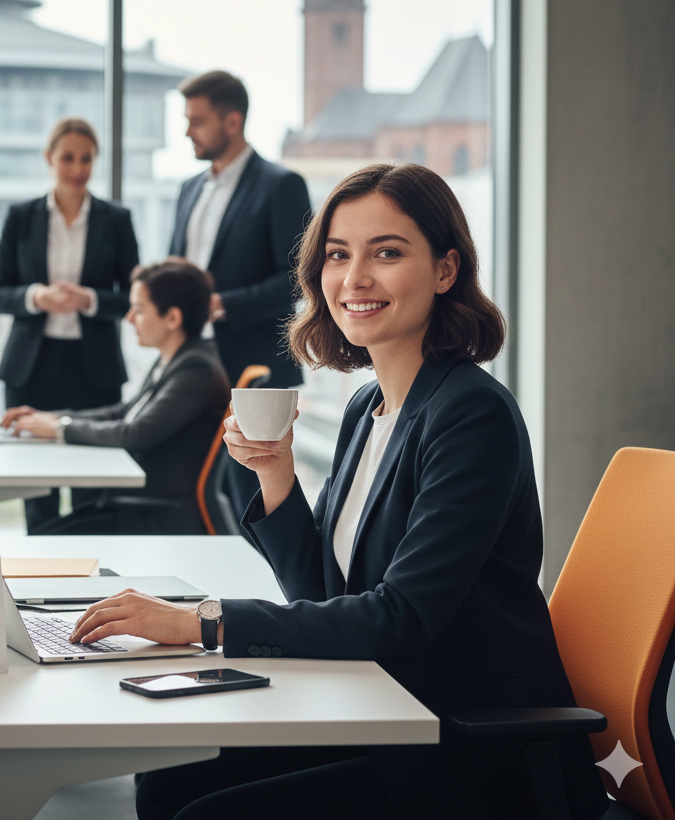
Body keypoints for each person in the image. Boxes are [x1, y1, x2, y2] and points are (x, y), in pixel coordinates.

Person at [68, 163, 608, 820]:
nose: (354, 278)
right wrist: (275, 472)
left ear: (445, 271)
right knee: (168, 778)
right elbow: (322, 595)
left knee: (207, 810)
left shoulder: (471, 415)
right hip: (382, 704)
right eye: (337, 255)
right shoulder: (368, 406)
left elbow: (400, 618)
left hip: (464, 741)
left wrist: (201, 622)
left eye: (387, 252)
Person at [170, 70, 312, 517]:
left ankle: (274, 587)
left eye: (197, 120)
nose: (187, 130)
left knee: (254, 502)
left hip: (255, 368)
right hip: (195, 368)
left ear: (232, 122)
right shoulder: (188, 189)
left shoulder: (281, 185)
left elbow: (299, 277)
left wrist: (221, 305)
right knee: (199, 498)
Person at [2, 259, 230, 535]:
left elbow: (134, 433)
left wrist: (61, 428)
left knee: (40, 542)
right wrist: (53, 419)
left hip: (155, 514)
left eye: (139, 309)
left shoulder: (196, 369)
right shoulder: (177, 359)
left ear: (172, 318)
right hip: (137, 505)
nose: (129, 318)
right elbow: (125, 412)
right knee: (42, 537)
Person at [0, 117, 140, 533]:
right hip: (31, 369)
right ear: (49, 158)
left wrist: (88, 300)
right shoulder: (21, 217)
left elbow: (135, 296)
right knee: (37, 489)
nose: (78, 168)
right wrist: (36, 296)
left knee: (91, 489)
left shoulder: (116, 219)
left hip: (93, 370)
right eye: (68, 158)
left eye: (87, 158)